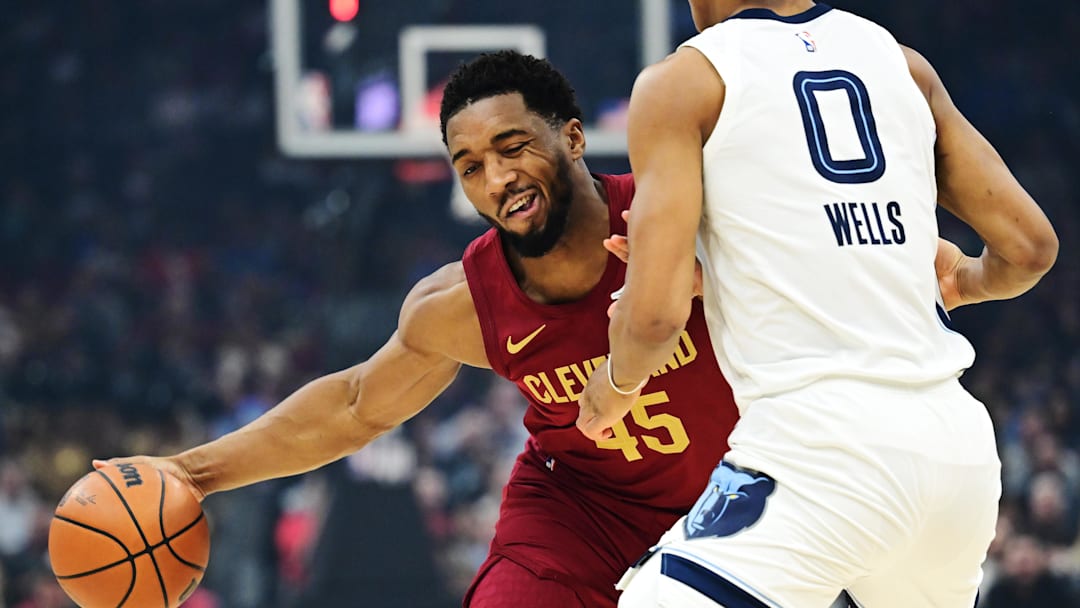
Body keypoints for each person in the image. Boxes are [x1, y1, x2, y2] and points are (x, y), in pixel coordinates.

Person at [95, 51, 740, 608]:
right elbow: (353, 406)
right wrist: (190, 472)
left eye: (513, 147)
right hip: (581, 509)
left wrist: (717, 280)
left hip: (743, 487)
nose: (497, 179)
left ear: (572, 138)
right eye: (470, 166)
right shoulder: (460, 303)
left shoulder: (686, 214)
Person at [577, 2, 1059, 607]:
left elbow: (653, 318)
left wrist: (616, 383)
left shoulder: (684, 83)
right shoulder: (902, 63)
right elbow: (1031, 250)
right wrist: (965, 280)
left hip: (823, 447)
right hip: (956, 451)